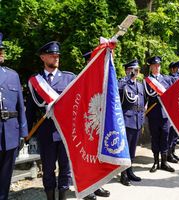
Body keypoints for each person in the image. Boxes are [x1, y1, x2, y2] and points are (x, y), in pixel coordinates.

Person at [26, 41, 76, 200]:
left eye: (57, 55)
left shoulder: (69, 78)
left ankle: (63, 196)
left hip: (65, 131)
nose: (56, 57)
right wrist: (26, 132)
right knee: (47, 168)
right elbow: (31, 109)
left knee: (65, 167)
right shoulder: (35, 81)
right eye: (52, 55)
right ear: (42, 57)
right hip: (45, 131)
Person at [0, 33, 28, 200]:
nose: (1, 52)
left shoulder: (12, 75)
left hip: (10, 132)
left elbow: (20, 106)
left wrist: (23, 132)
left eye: (2, 49)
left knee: (5, 177)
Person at [81, 51, 110, 199]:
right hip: (86, 125)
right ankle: (87, 188)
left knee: (98, 157)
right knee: (87, 157)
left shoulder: (102, 79)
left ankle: (98, 185)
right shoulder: (81, 79)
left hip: (100, 122)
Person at [144, 56, 175, 173]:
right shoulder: (146, 81)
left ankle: (164, 162)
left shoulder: (167, 80)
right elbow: (145, 97)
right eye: (154, 66)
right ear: (151, 67)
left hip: (165, 114)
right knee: (155, 137)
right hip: (153, 114)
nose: (157, 68)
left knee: (165, 136)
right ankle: (156, 162)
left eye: (158, 65)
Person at [118, 59, 145, 186]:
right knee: (126, 148)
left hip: (138, 119)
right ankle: (123, 174)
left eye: (137, 70)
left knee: (133, 148)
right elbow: (117, 90)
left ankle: (130, 171)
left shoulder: (140, 85)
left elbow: (143, 102)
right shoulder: (123, 83)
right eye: (133, 70)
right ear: (127, 70)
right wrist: (127, 78)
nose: (136, 72)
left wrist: (142, 119)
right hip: (127, 120)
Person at [167, 61, 179, 162]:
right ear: (173, 69)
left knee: (175, 134)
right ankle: (168, 154)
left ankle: (172, 152)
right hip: (172, 110)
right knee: (171, 133)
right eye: (178, 68)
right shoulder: (170, 79)